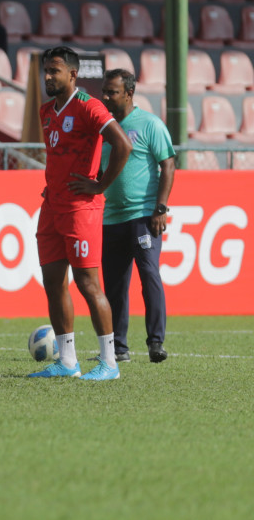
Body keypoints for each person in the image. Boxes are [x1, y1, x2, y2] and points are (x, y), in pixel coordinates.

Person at [28, 47, 133, 381]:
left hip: (80, 209)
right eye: (46, 70)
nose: (48, 77)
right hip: (52, 206)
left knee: (89, 284)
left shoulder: (89, 106)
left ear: (72, 74)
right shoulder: (46, 111)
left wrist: (100, 185)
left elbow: (122, 145)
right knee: (53, 283)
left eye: (54, 71)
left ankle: (109, 363)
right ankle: (68, 361)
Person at [99, 69, 175, 364]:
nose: (105, 97)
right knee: (114, 285)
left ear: (128, 94)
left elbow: (168, 164)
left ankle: (155, 342)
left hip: (143, 216)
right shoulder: (103, 127)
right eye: (104, 91)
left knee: (149, 275)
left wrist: (160, 208)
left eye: (111, 92)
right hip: (110, 217)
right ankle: (119, 348)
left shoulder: (149, 124)